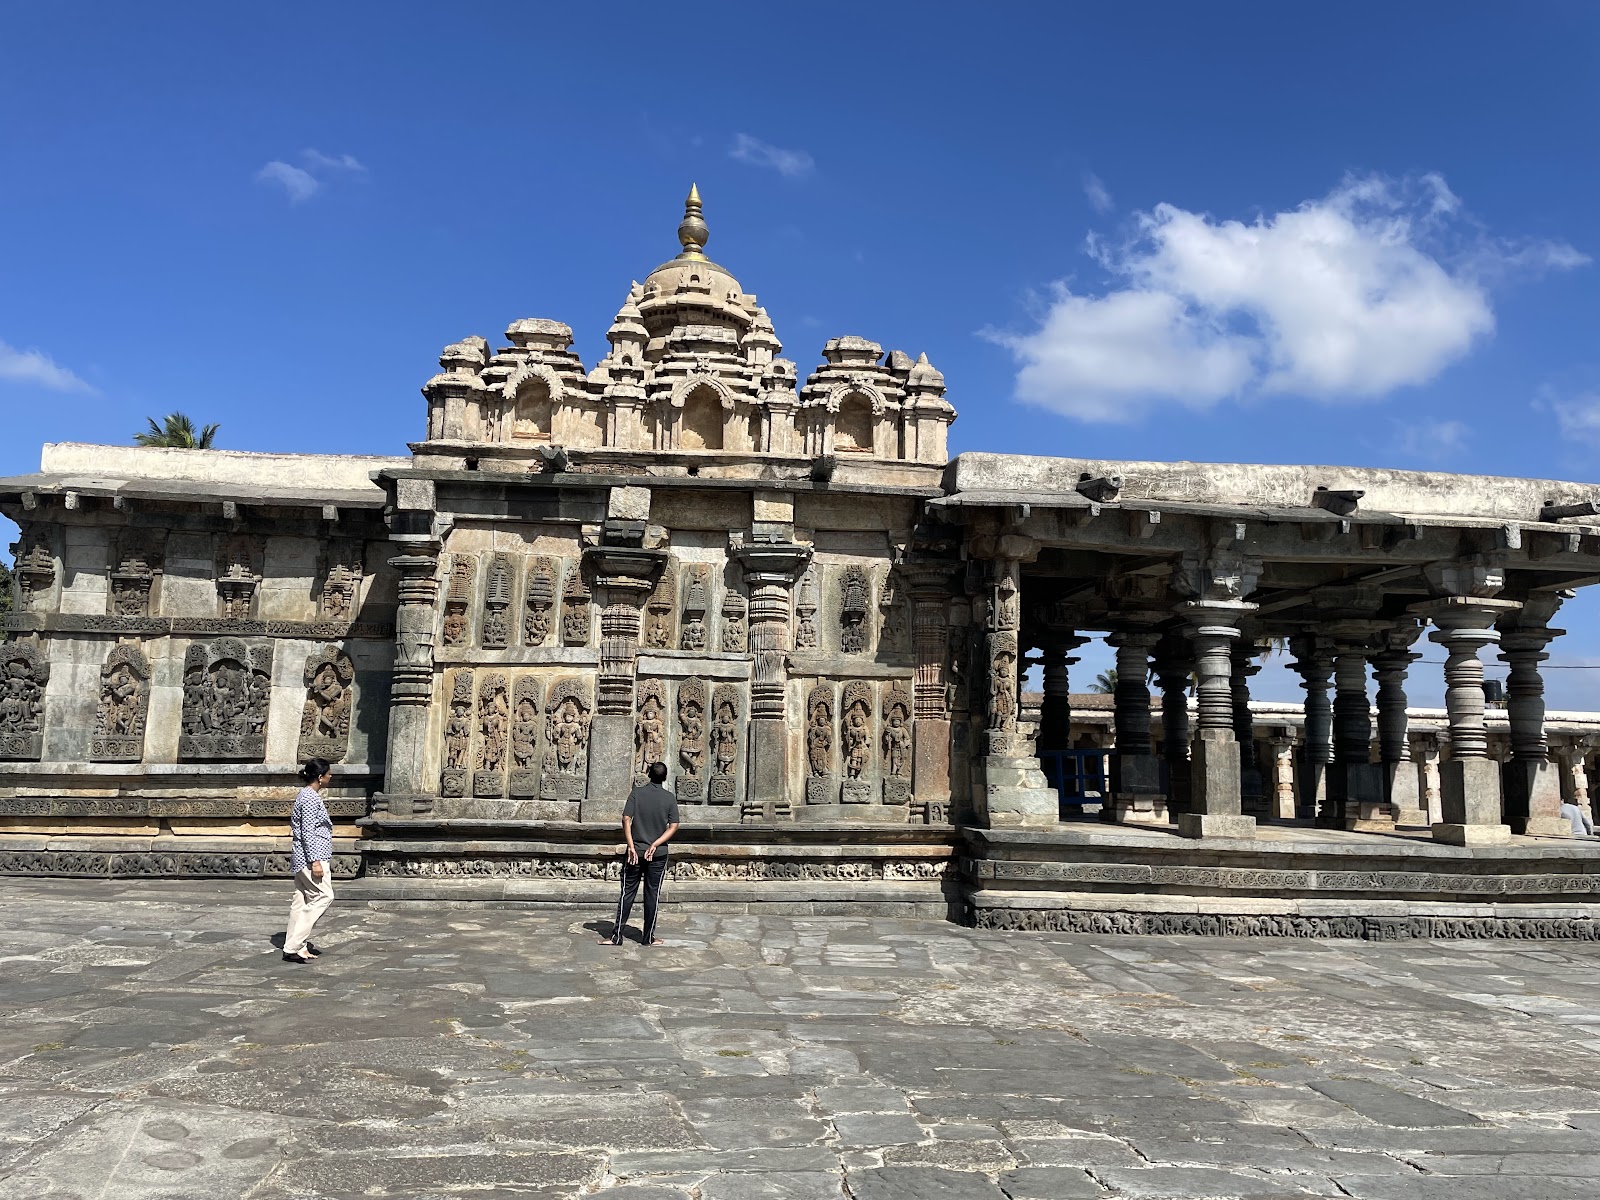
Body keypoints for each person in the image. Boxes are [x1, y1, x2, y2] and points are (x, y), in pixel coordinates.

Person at [599, 760, 680, 947]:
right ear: (665, 778)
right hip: (657, 854)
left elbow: (626, 819)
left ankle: (616, 936)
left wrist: (631, 846)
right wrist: (656, 843)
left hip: (635, 853)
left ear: (649, 775)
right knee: (652, 895)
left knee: (627, 893)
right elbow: (674, 826)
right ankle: (648, 937)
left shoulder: (637, 793)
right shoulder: (669, 798)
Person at [283, 757, 335, 964]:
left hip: (303, 854)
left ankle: (297, 946)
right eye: (329, 773)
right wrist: (315, 861)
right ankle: (294, 944)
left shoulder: (306, 795)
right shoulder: (310, 798)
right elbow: (308, 832)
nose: (331, 776)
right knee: (323, 896)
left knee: (301, 899)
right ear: (320, 778)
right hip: (311, 856)